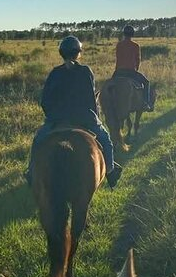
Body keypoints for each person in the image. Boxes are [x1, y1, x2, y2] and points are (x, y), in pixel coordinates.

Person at [25, 35, 122, 188]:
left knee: (38, 140)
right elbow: (91, 98)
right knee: (106, 141)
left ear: (61, 53)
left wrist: (52, 117)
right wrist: (94, 116)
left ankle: (31, 173)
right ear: (78, 53)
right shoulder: (85, 71)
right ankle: (110, 172)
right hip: (84, 118)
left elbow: (45, 101)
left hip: (58, 119)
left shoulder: (55, 73)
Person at [112, 25, 154, 111]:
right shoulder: (136, 45)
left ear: (124, 34)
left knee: (110, 85)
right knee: (146, 82)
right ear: (132, 34)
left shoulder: (119, 45)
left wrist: (116, 71)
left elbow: (118, 59)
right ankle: (146, 103)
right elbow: (138, 60)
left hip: (119, 72)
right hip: (131, 72)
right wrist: (136, 70)